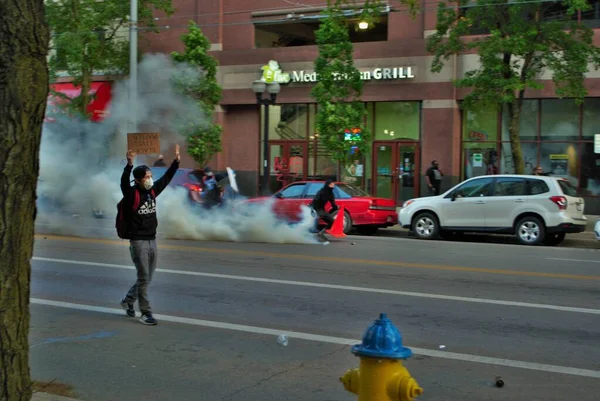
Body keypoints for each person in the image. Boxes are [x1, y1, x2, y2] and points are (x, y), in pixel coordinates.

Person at [120, 145, 180, 325]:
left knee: (147, 278)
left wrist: (176, 162)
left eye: (151, 176)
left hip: (152, 239)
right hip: (138, 242)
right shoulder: (132, 194)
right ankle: (146, 313)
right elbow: (123, 182)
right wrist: (129, 164)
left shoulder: (152, 191)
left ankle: (128, 301)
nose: (150, 179)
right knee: (144, 278)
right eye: (146, 177)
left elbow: (167, 178)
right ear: (138, 180)